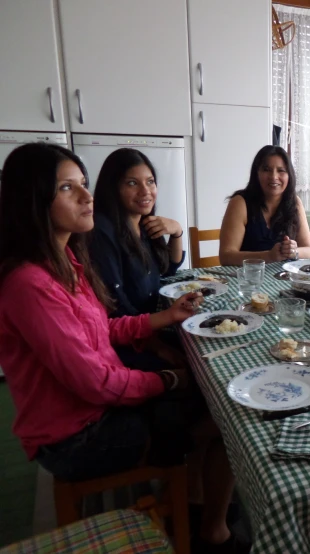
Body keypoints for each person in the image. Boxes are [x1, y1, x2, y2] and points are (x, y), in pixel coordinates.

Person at [0, 143, 241, 553]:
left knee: (209, 399)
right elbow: (96, 382)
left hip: (95, 409)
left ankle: (195, 498)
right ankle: (211, 530)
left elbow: (103, 328)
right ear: (33, 199)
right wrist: (165, 379)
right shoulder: (30, 284)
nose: (85, 196)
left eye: (83, 184)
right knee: (225, 420)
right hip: (76, 436)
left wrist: (166, 317)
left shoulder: (66, 263)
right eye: (66, 188)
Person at [89, 148, 186, 371]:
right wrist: (158, 347)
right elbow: (115, 306)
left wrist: (177, 232)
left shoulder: (142, 224)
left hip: (151, 327)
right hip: (127, 343)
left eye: (150, 182)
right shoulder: (102, 232)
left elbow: (169, 269)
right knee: (196, 364)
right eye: (132, 183)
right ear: (113, 189)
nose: (145, 191)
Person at [219, 145, 310, 265]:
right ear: (256, 173)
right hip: (247, 279)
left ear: (289, 175)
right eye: (266, 169)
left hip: (283, 279)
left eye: (281, 170)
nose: (274, 177)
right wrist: (268, 256)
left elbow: (309, 250)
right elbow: (226, 256)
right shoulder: (240, 203)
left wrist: (293, 251)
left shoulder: (295, 203)